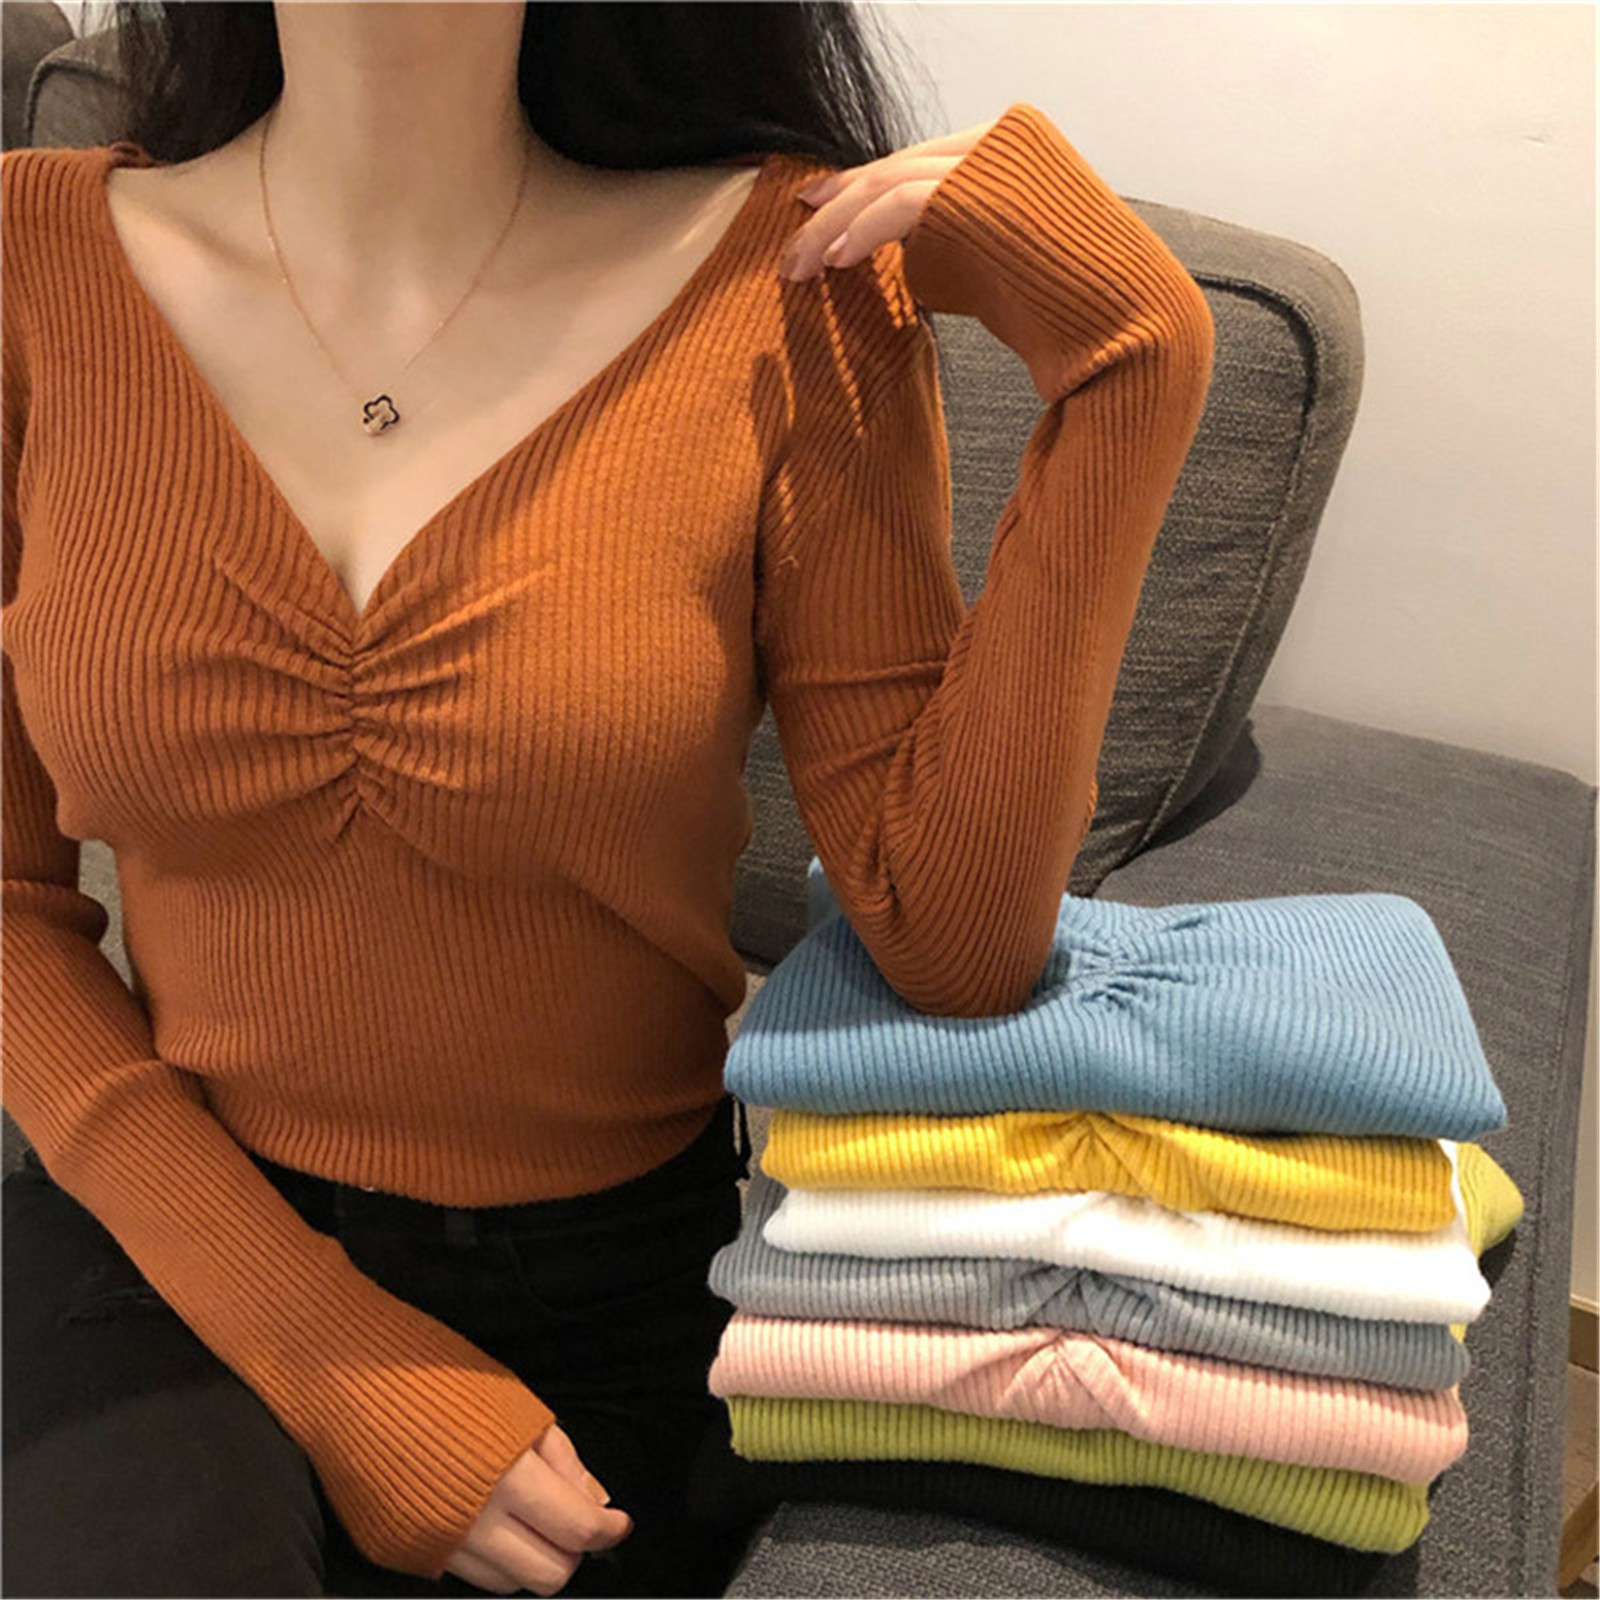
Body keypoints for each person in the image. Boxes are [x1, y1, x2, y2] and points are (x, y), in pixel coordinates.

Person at [0, 1, 1215, 1595]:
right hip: (165, 1238)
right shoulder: (27, 263)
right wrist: (325, 1350)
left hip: (608, 1295)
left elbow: (954, 939)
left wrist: (1133, 365)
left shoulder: (798, 282)